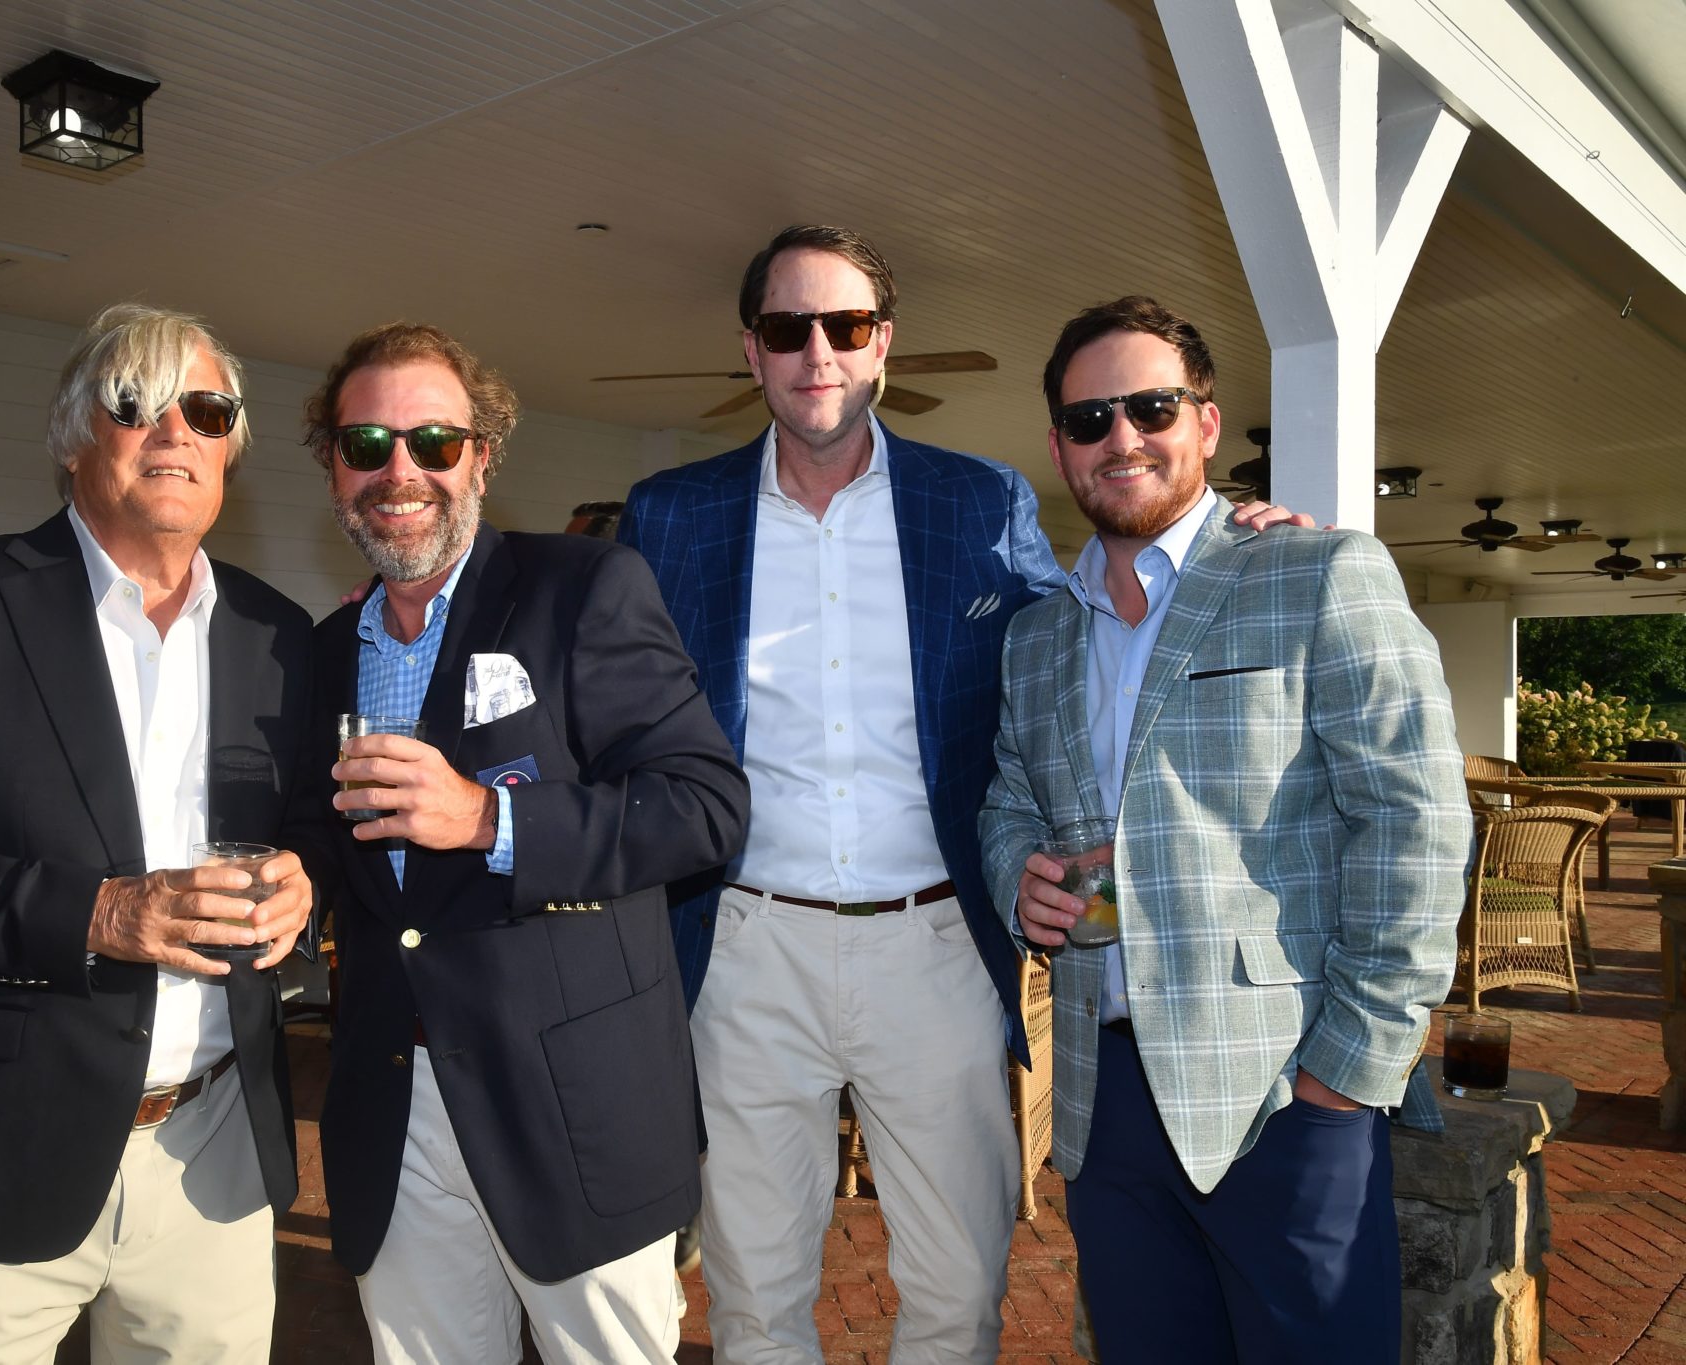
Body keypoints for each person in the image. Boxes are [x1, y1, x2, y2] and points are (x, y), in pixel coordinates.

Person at [618, 225, 1305, 1362]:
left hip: (935, 946)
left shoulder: (977, 500)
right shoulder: (671, 514)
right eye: (788, 329)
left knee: (956, 1292)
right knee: (751, 1304)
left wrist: (1229, 539)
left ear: (883, 343)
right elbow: (601, 689)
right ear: (751, 351)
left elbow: (1085, 627)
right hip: (744, 948)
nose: (818, 353)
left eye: (846, 325)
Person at [0, 304, 319, 1362]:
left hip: (216, 1149)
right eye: (137, 402)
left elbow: (305, 829)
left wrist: (305, 887)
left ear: (230, 447)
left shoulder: (279, 635)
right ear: (75, 433)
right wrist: (99, 914)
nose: (175, 431)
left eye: (206, 409)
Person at [978, 296, 1471, 1362]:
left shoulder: (1314, 572)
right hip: (1106, 1106)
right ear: (1059, 449)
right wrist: (1017, 870)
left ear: (1204, 422)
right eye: (1088, 419)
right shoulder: (1036, 636)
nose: (1120, 437)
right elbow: (1010, 797)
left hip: (1283, 1098)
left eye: (1150, 407)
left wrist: (1347, 1071)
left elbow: (1415, 823)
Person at [301, 322, 748, 1364]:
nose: (400, 471)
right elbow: (330, 851)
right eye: (367, 445)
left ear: (482, 456)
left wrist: (489, 820)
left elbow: (703, 805)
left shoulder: (584, 587)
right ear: (333, 466)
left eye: (433, 441)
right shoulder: (323, 651)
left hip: (572, 1109)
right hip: (393, 1107)